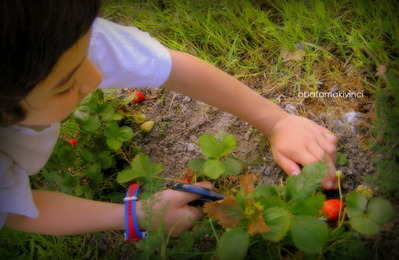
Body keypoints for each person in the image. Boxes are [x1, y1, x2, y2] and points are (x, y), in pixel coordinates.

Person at [0, 0, 337, 238]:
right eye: (65, 86)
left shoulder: (51, 32)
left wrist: (276, 121)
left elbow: (172, 68)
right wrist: (135, 214)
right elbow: (16, 209)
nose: (93, 76)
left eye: (88, 50)